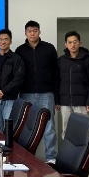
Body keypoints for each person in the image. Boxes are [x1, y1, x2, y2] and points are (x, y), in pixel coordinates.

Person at [15, 20, 59, 163]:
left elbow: (56, 72)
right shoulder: (20, 50)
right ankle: (26, 156)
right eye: (29, 31)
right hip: (26, 93)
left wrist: (57, 95)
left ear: (39, 32)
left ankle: (51, 157)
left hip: (46, 93)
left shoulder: (49, 48)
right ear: (25, 33)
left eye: (35, 30)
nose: (32, 33)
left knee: (49, 125)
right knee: (27, 126)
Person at [54, 31, 89, 137]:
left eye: (75, 42)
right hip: (64, 102)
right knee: (66, 131)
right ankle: (67, 148)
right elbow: (56, 81)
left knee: (82, 131)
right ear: (65, 44)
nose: (72, 45)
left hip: (81, 102)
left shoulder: (88, 60)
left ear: (80, 43)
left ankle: (82, 149)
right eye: (69, 42)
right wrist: (57, 101)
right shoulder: (61, 61)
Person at [0, 29, 24, 131]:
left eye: (6, 39)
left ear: (10, 41)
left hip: (10, 100)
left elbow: (18, 78)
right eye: (0, 39)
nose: (3, 42)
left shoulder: (17, 59)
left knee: (9, 130)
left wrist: (3, 91)